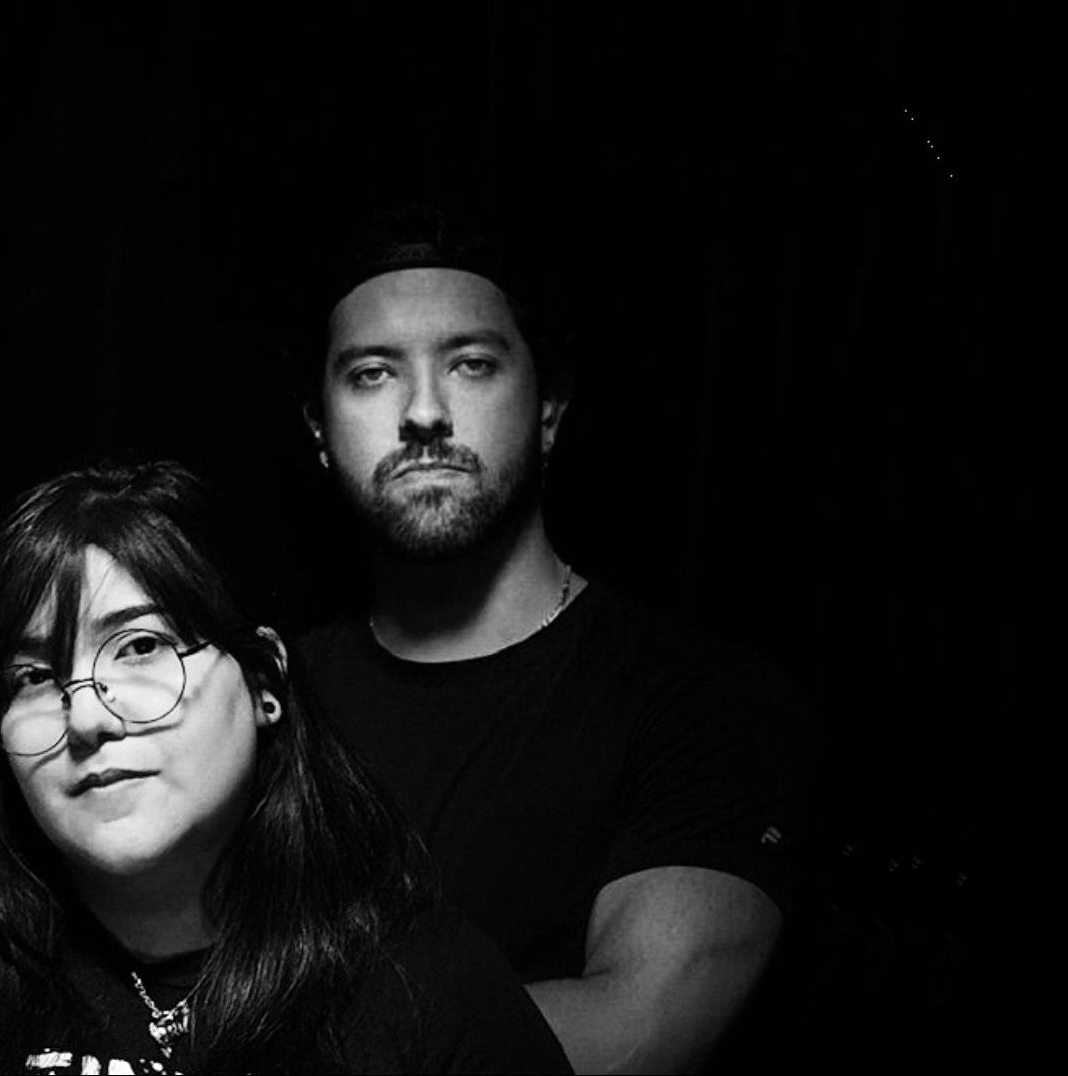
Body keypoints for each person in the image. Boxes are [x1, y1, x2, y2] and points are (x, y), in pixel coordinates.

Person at [0, 461, 569, 1073]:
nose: (86, 716)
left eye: (141, 647)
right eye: (34, 677)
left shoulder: (419, 986)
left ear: (265, 682)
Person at [295, 210, 815, 1072]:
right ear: (319, 430)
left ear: (547, 411)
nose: (425, 412)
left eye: (472, 364)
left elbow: (635, 1031)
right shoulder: (263, 698)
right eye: (373, 373)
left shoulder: (706, 702)